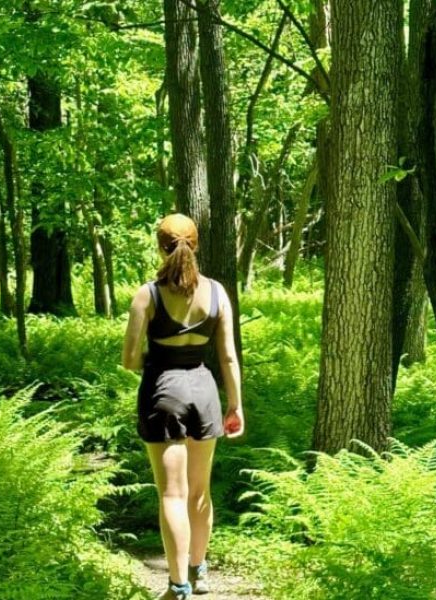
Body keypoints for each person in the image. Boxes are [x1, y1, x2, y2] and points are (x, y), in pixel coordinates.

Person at [122, 213, 244, 600]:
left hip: (163, 393)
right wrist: (235, 405)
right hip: (205, 392)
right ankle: (199, 568)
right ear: (197, 244)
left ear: (161, 246)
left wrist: (159, 363)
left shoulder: (149, 295)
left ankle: (178, 586)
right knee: (199, 492)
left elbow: (129, 359)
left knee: (171, 495)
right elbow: (227, 358)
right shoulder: (217, 293)